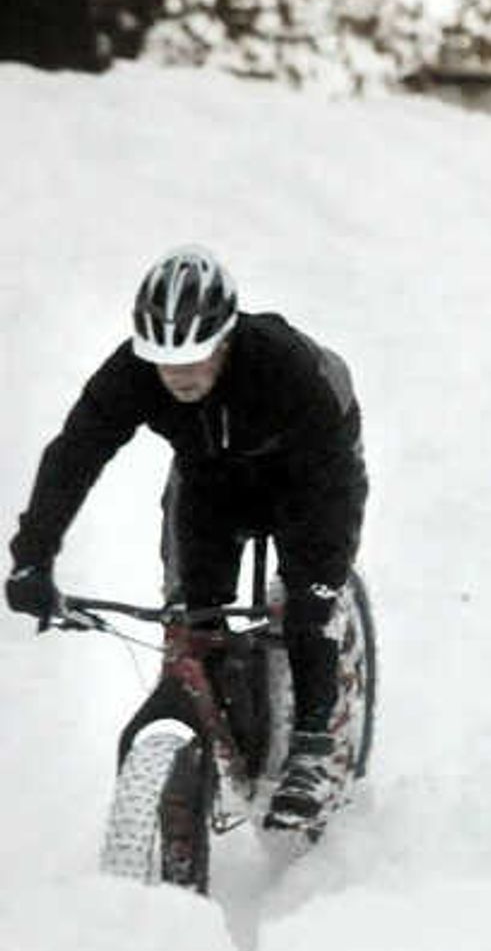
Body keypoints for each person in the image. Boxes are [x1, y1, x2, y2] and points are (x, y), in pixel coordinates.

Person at [8, 246, 369, 831]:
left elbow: (329, 485)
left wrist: (318, 578)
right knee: (192, 613)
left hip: (308, 470)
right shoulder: (132, 374)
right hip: (210, 476)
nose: (178, 376)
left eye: (194, 360)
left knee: (308, 602)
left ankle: (312, 745)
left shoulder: (282, 367)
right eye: (163, 362)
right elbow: (75, 454)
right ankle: (215, 727)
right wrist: (33, 559)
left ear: (225, 340)